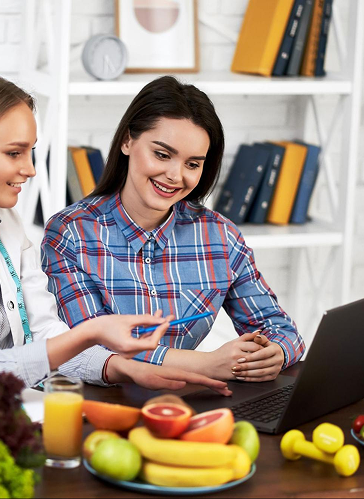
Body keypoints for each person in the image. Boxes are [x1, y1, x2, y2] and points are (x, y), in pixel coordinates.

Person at [0, 71, 230, 395]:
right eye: (15, 153)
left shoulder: (5, 226)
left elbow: (45, 333)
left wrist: (119, 367)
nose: (31, 169)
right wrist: (91, 332)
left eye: (32, 152)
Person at [42, 76, 306, 387]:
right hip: (98, 406)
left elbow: (282, 330)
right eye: (163, 155)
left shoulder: (219, 237)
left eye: (192, 164)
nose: (174, 176)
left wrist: (274, 352)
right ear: (127, 141)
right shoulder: (71, 234)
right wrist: (209, 364)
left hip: (185, 405)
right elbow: (91, 351)